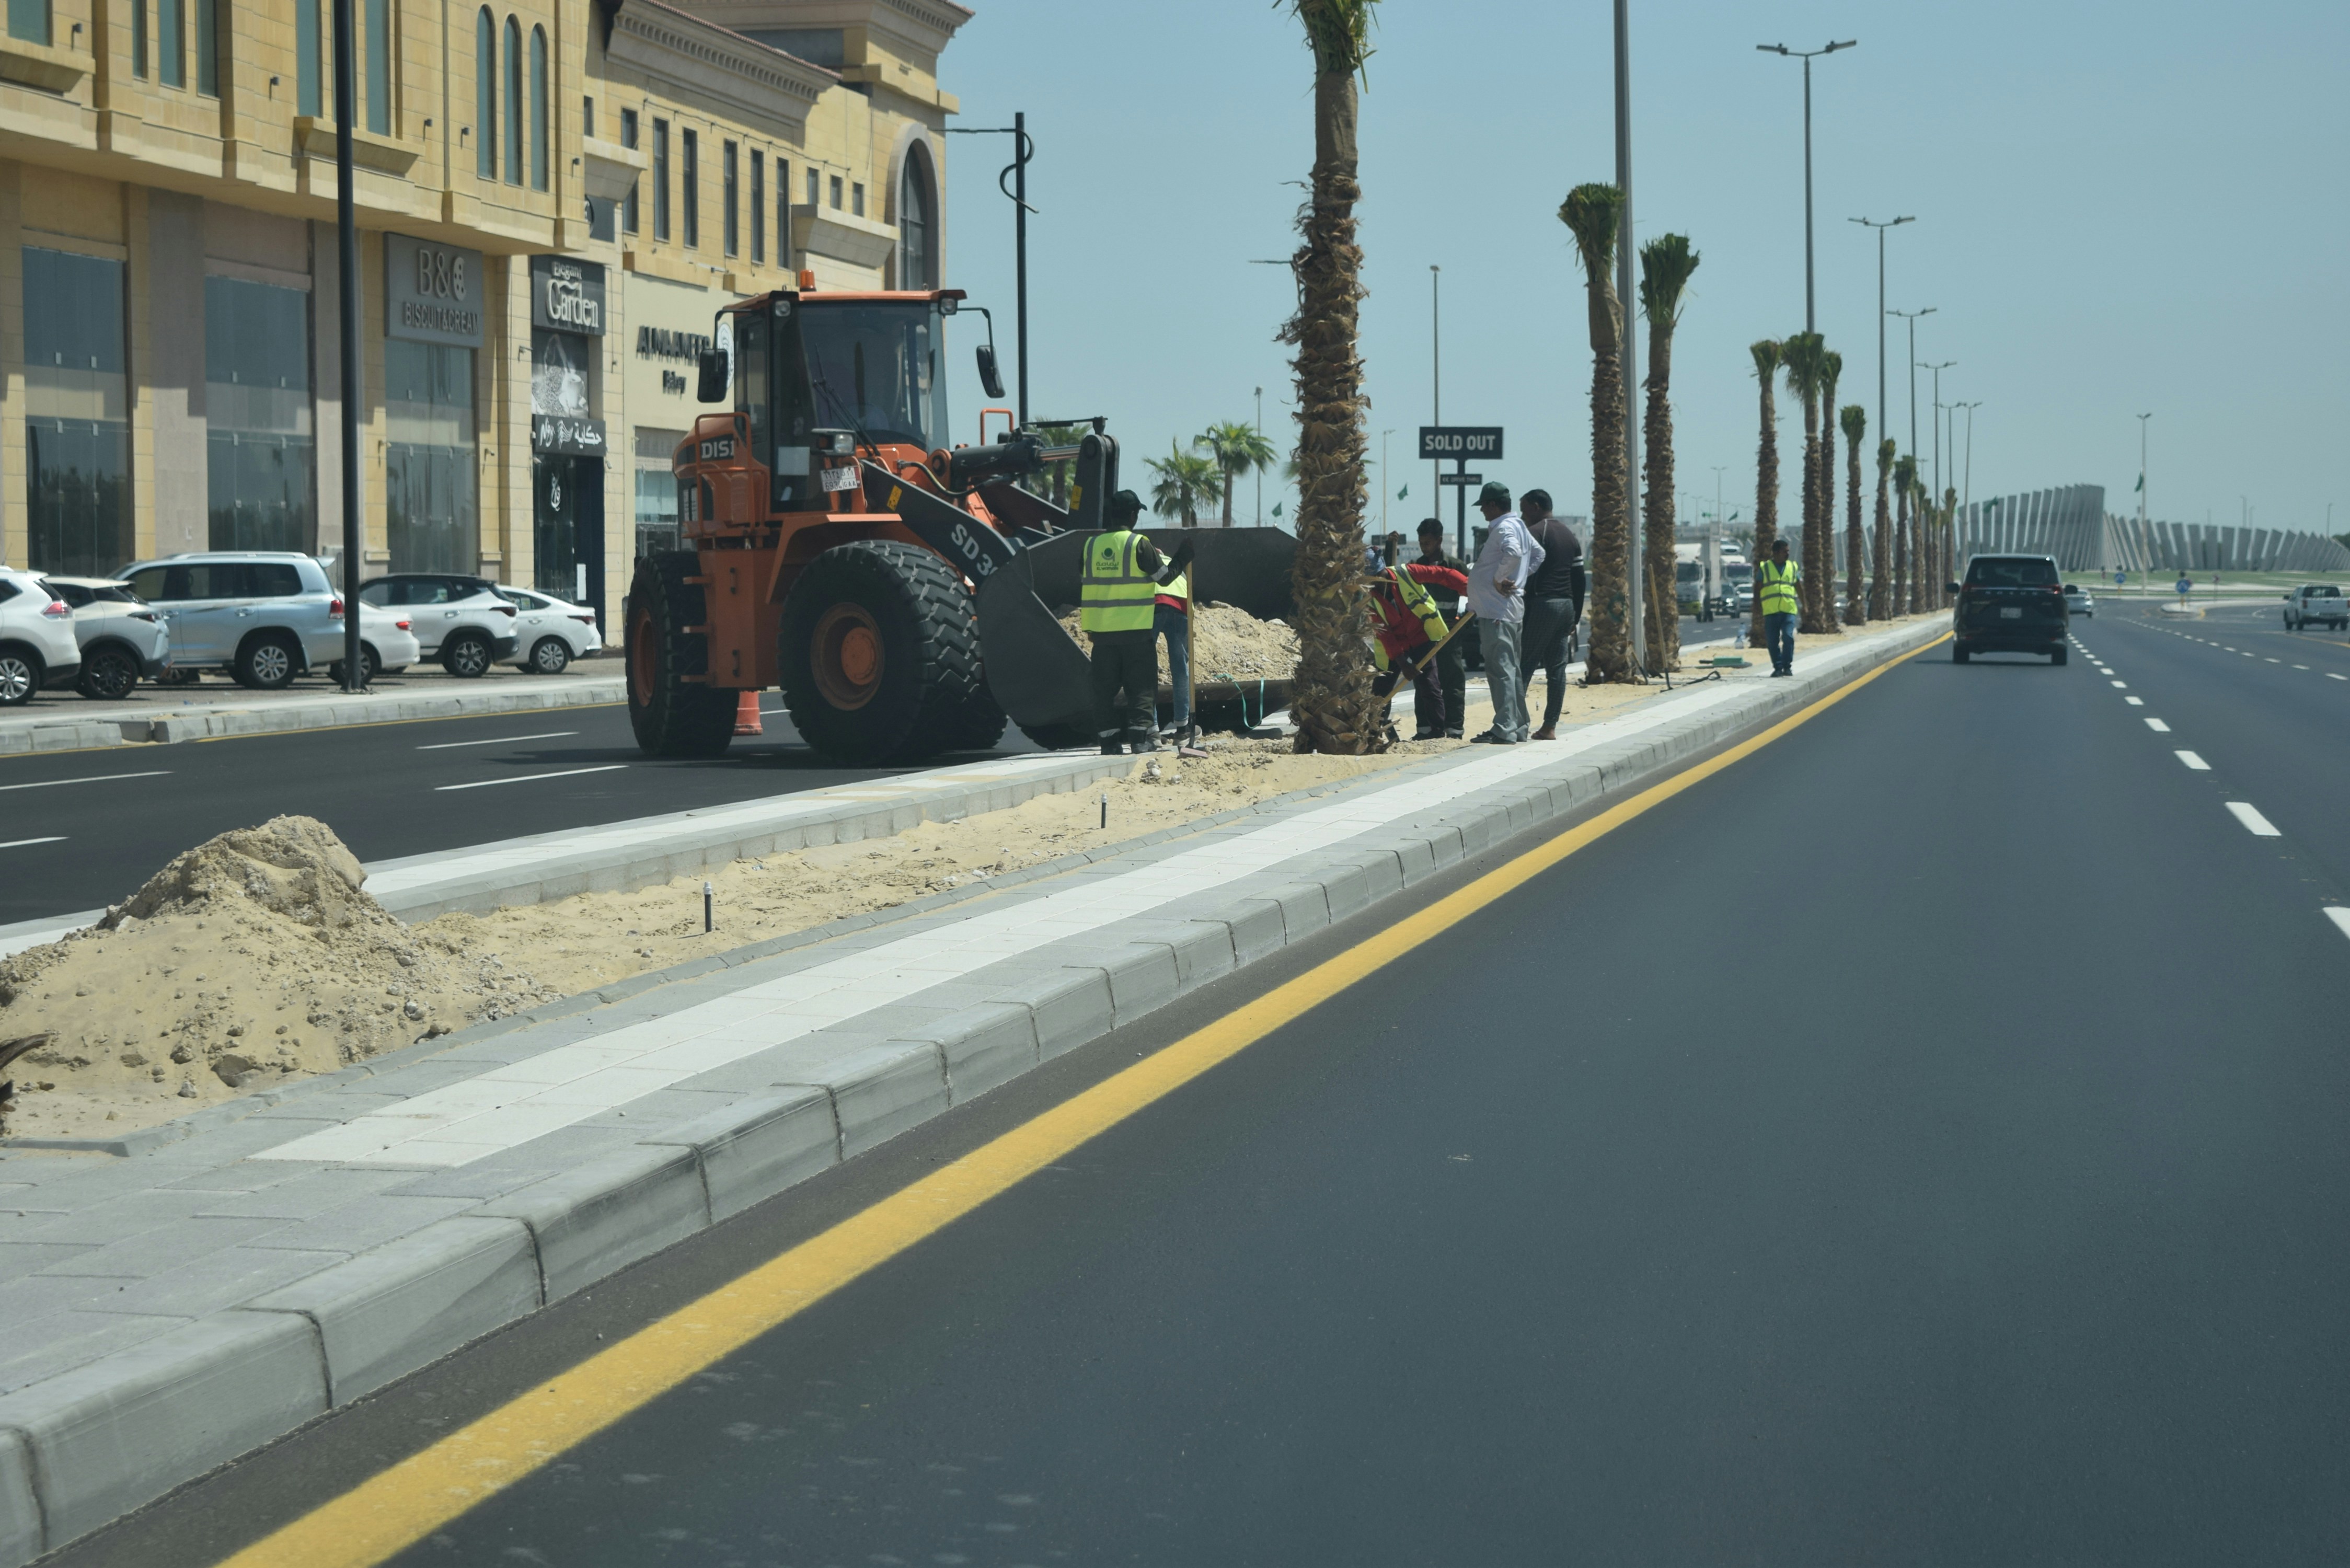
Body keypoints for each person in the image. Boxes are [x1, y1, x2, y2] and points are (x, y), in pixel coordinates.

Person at [1080, 490, 1188, 753]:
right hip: (1136, 632)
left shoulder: (1090, 546)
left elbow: (1085, 578)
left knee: (1103, 691)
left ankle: (1109, 742)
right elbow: (1164, 578)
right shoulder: (1139, 543)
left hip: (1102, 634)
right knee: (1141, 689)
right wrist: (1182, 558)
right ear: (1132, 515)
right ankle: (1139, 741)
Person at [1466, 481, 1542, 742]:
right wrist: (1520, 578)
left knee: (1501, 671)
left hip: (1497, 611)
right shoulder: (1518, 526)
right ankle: (1518, 726)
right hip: (1506, 609)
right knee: (1511, 670)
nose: (1482, 511)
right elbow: (1539, 555)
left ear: (1492, 505)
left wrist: (1501, 580)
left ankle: (1505, 728)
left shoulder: (1505, 528)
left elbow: (1514, 553)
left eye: (1483, 506)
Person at [1367, 551, 1469, 740]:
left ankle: (1436, 733)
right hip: (1394, 645)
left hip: (1421, 635)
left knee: (1429, 684)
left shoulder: (1407, 573)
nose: (1374, 584)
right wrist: (1403, 663)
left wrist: (1467, 587)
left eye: (1376, 578)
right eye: (1369, 580)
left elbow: (1442, 574)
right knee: (1381, 690)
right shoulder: (1370, 596)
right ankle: (1374, 733)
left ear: (1383, 571)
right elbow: (1385, 633)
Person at [1517, 489, 1582, 741]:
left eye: (1524, 510)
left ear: (1535, 507)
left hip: (1543, 604)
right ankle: (1549, 726)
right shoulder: (1569, 535)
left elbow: (1523, 572)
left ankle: (1515, 725)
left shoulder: (1536, 532)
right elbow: (1579, 580)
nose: (1522, 516)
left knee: (1525, 664)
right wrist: (1575, 617)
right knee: (1557, 670)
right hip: (1566, 606)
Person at [1414, 517, 1469, 738]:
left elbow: (1473, 595)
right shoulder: (1416, 567)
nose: (1424, 547)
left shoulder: (1455, 566)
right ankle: (1425, 729)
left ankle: (1454, 729)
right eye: (1421, 543)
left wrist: (1461, 620)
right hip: (1424, 634)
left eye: (1427, 543)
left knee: (1452, 681)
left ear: (1439, 541)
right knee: (1424, 681)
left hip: (1450, 635)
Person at [1153, 555, 1192, 740]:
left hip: (1153, 605)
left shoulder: (1144, 558)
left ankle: (1152, 730)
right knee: (1180, 669)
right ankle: (1183, 729)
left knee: (1146, 668)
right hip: (1181, 607)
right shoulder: (1170, 560)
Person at [1758, 536, 1801, 676]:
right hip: (1771, 611)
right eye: (1785, 551)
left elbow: (1799, 586)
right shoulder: (1765, 568)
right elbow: (1758, 587)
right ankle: (1778, 667)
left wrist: (1805, 604)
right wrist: (1757, 606)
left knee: (1788, 637)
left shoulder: (1792, 567)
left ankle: (1787, 666)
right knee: (1772, 641)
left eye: (1788, 551)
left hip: (1788, 610)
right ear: (1776, 553)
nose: (1788, 554)